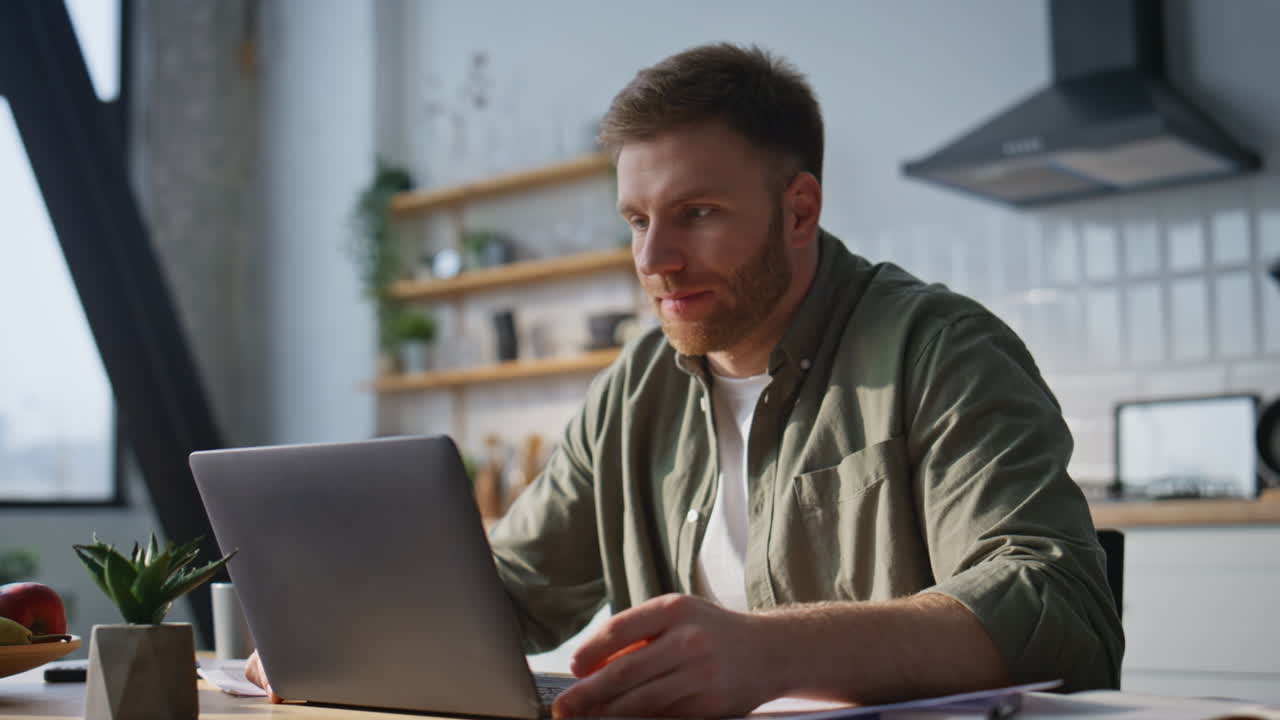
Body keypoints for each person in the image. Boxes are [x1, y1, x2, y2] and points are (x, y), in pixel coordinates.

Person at [247, 43, 1123, 717]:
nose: (654, 259)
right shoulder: (636, 387)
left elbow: (1060, 608)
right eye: (637, 220)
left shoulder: (940, 349)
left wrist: (769, 652)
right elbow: (510, 594)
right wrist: (349, 631)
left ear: (800, 210)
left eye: (696, 213)